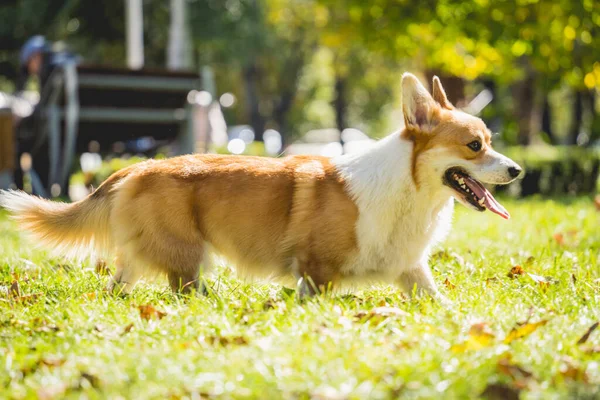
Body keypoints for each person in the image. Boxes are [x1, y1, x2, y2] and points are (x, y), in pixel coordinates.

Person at [12, 36, 79, 194]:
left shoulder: (52, 69)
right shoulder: (70, 62)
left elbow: (44, 111)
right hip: (80, 127)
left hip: (56, 131)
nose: (32, 71)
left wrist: (22, 118)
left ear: (36, 56)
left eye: (29, 65)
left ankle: (20, 190)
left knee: (21, 144)